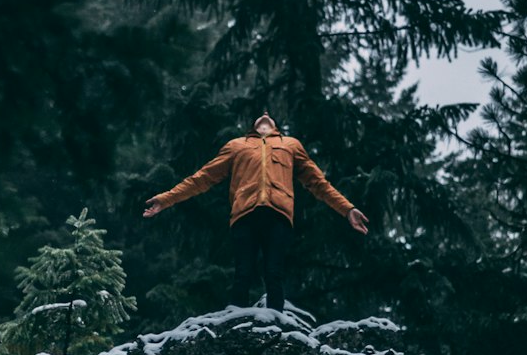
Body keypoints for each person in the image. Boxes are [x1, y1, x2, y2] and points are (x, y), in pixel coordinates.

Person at [143, 111, 368, 312]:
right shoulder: (237, 145)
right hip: (245, 215)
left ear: (275, 125)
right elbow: (202, 178)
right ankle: (233, 322)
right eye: (261, 115)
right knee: (243, 272)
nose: (265, 114)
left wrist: (347, 209)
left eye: (269, 115)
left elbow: (319, 183)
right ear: (252, 125)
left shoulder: (290, 145)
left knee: (274, 272)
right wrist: (166, 199)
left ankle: (277, 323)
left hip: (278, 214)